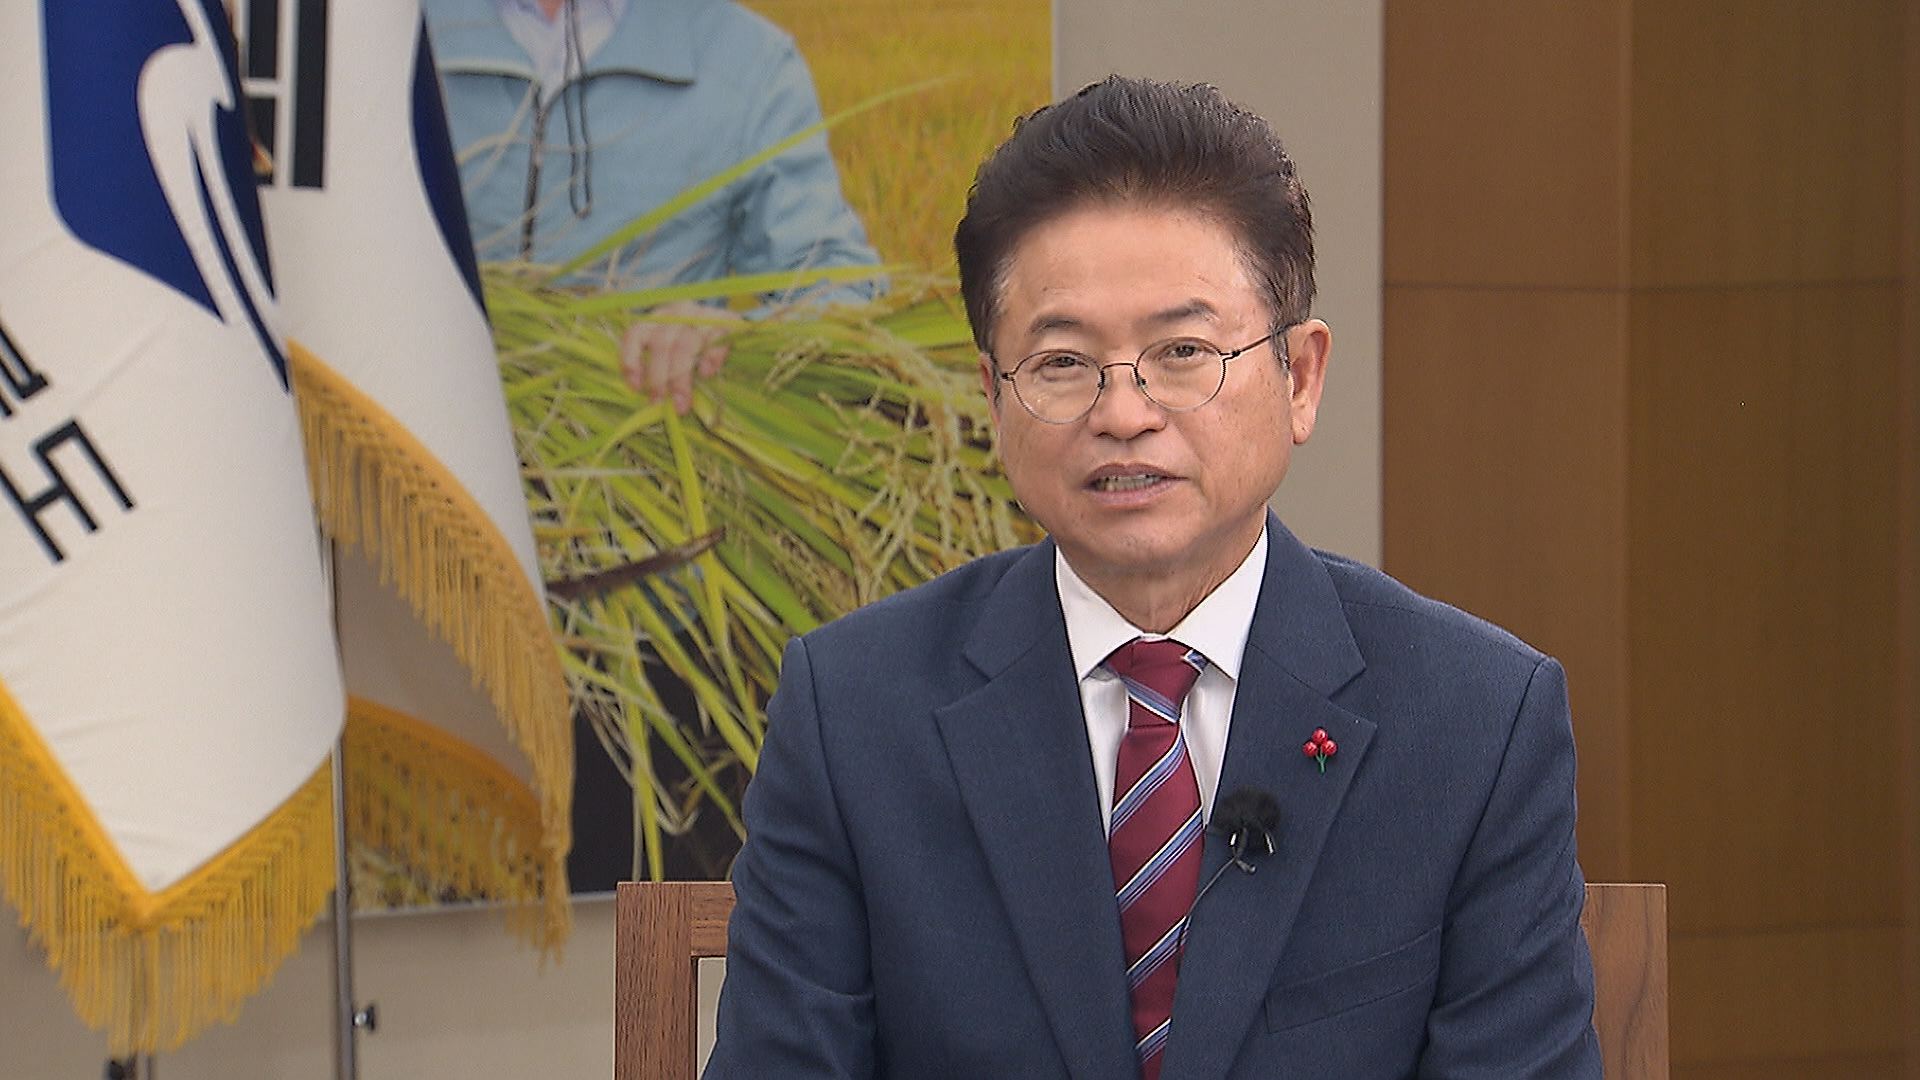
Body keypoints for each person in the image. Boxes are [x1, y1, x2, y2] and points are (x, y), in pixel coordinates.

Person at [704, 77, 1601, 1079]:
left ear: (1300, 379)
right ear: (993, 398)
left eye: (1183, 351)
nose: (1123, 413)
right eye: (1061, 362)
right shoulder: (853, 713)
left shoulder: (1475, 720)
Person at [422, 0, 881, 412]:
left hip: (628, 458)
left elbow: (843, 290)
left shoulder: (747, 62)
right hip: (411, 451)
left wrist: (733, 332)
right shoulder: (395, 34)